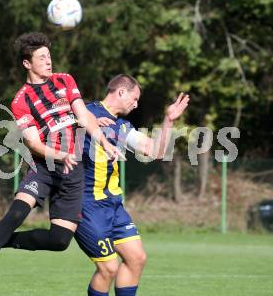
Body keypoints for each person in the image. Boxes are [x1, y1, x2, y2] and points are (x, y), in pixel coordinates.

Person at [0, 32, 122, 294]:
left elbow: (83, 115)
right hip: (43, 168)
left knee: (59, 241)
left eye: (49, 55)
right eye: (42, 57)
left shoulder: (64, 80)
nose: (49, 61)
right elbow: (34, 144)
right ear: (27, 63)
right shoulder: (21, 100)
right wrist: (61, 155)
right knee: (17, 213)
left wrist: (103, 141)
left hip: (72, 172)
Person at [75, 74, 189, 296]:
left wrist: (169, 121)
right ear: (121, 92)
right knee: (109, 269)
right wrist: (86, 121)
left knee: (137, 258)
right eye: (134, 99)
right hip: (88, 204)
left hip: (114, 206)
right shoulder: (86, 111)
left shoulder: (122, 126)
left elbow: (155, 151)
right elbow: (57, 118)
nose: (136, 105)